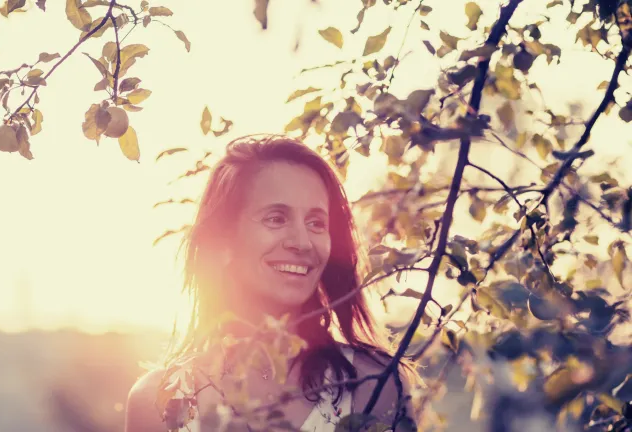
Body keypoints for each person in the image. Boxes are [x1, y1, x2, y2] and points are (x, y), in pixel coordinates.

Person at [124, 134, 420, 431]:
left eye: (316, 223)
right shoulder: (160, 400)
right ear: (224, 241)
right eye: (276, 219)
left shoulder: (375, 383)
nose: (303, 243)